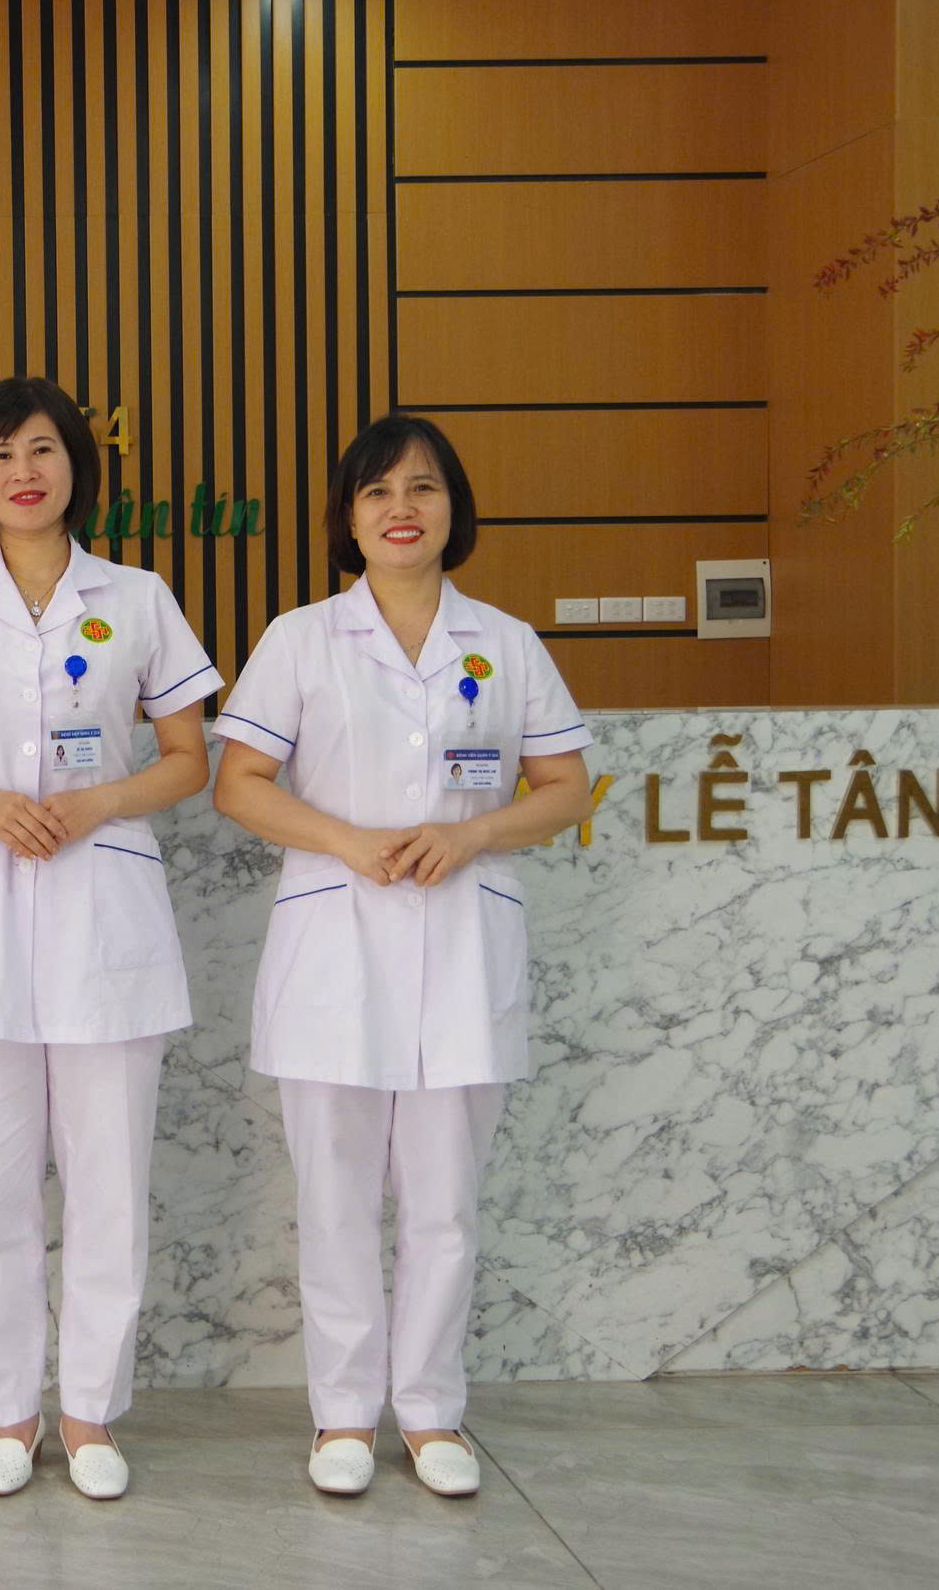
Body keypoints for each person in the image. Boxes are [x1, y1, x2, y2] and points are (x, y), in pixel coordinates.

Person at [211, 414, 594, 1499]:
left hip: (464, 936)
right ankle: (341, 1415)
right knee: (333, 1194)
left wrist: (470, 832)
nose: (400, 509)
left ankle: (430, 1413)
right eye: (376, 492)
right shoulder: (299, 638)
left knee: (442, 1200)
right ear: (347, 517)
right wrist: (349, 840)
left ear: (453, 510)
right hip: (336, 932)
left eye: (421, 489)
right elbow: (237, 783)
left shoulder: (505, 641)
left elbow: (565, 789)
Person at [0, 377, 221, 1502]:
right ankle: (13, 1413)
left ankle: (91, 1413)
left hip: (102, 901)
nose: (23, 471)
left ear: (77, 465)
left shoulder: (140, 595)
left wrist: (96, 804)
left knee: (109, 1185)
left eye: (43, 451)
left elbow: (185, 756)